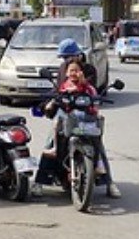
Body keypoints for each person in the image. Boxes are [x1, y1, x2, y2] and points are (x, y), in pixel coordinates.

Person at [45, 56, 119, 198]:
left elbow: (95, 102)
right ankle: (40, 181)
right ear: (66, 73)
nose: (74, 73)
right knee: (50, 139)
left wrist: (84, 85)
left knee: (100, 146)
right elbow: (53, 100)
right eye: (71, 70)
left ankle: (109, 183)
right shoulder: (62, 88)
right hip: (68, 123)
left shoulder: (88, 87)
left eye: (77, 70)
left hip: (87, 123)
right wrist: (52, 103)